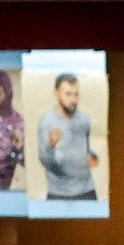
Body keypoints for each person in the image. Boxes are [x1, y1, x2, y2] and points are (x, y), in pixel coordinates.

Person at [37, 72, 100, 201]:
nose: (73, 100)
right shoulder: (47, 121)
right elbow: (45, 162)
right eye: (68, 94)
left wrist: (93, 157)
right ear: (57, 93)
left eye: (76, 94)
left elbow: (86, 149)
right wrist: (51, 144)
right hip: (59, 194)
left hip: (87, 191)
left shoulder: (84, 119)